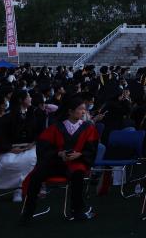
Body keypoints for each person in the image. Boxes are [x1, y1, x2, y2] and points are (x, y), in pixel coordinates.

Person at [20, 96, 100, 224]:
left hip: (76, 162)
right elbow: (43, 147)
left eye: (84, 109)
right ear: (70, 111)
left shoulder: (89, 128)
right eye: (80, 109)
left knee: (78, 174)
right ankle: (28, 212)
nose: (83, 111)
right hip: (55, 162)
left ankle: (77, 210)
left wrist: (79, 154)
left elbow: (92, 149)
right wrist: (59, 153)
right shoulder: (56, 127)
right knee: (36, 175)